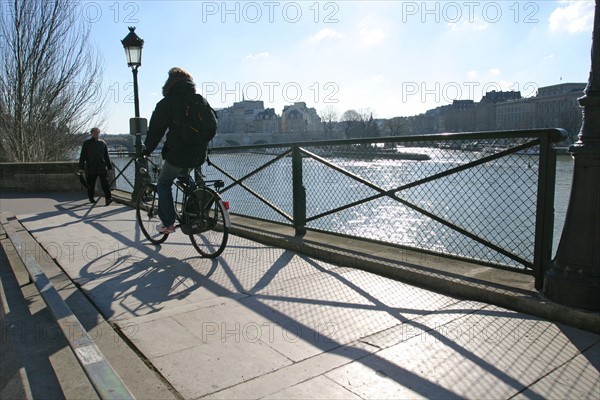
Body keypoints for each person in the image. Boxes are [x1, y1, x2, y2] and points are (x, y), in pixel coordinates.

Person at [143, 67, 211, 234]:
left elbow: (156, 131)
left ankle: (168, 223)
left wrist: (146, 149)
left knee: (164, 183)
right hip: (199, 153)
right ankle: (195, 211)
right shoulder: (199, 100)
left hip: (179, 153)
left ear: (169, 83)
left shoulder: (167, 103)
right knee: (185, 177)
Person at [79, 127, 113, 205]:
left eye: (98, 132)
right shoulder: (87, 143)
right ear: (91, 133)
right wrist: (81, 167)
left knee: (105, 184)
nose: (97, 134)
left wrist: (109, 166)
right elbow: (83, 156)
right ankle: (91, 198)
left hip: (101, 167)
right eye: (95, 132)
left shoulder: (102, 143)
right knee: (91, 184)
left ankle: (108, 198)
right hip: (91, 167)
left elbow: (106, 156)